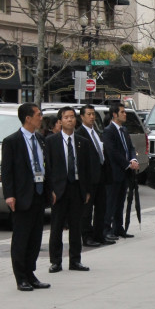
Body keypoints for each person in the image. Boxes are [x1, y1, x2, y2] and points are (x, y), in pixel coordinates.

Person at [1, 103, 51, 291]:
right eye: (38, 115)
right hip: (22, 196)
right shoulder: (12, 141)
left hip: (39, 194)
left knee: (35, 238)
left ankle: (31, 273)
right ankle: (20, 276)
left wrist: (50, 189)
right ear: (28, 118)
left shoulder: (40, 139)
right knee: (21, 238)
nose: (41, 118)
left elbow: (47, 166)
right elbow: (7, 171)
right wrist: (9, 195)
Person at [45, 106, 91, 273]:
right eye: (66, 117)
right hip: (59, 190)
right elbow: (48, 169)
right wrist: (51, 190)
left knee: (76, 226)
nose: (70, 120)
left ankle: (75, 260)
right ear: (60, 121)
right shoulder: (51, 142)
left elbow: (86, 168)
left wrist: (86, 190)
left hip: (77, 187)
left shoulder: (82, 142)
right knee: (56, 227)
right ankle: (56, 261)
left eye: (72, 117)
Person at [75, 104, 114, 247]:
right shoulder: (79, 134)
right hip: (89, 177)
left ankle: (99, 234)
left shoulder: (96, 132)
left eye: (93, 114)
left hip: (101, 176)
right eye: (89, 114)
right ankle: (87, 236)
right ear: (82, 117)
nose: (92, 117)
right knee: (87, 209)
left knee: (101, 208)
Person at [102, 103, 138, 240]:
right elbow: (112, 152)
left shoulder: (124, 130)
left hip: (125, 172)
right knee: (110, 201)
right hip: (114, 172)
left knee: (120, 201)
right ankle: (106, 229)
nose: (125, 114)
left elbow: (130, 148)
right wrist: (127, 163)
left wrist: (133, 159)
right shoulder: (108, 131)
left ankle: (118, 228)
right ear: (114, 114)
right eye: (122, 112)